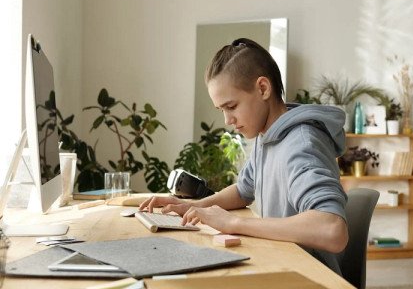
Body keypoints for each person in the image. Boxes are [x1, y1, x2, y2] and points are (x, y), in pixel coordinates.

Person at [139, 38, 348, 273]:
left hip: (309, 277)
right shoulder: (267, 135)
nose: (227, 121)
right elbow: (243, 190)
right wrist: (193, 206)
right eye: (222, 110)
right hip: (280, 266)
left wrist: (235, 223)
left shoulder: (301, 144)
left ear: (263, 88)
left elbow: (332, 230)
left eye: (231, 106)